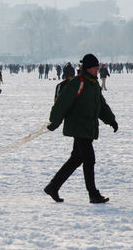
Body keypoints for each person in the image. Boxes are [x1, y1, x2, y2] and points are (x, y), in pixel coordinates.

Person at [44, 54, 118, 204]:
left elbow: (101, 106)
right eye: (95, 68)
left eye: (98, 67)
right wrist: (54, 122)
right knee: (89, 159)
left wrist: (111, 120)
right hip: (79, 127)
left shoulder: (93, 84)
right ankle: (93, 194)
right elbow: (62, 103)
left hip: (88, 127)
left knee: (76, 159)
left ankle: (53, 186)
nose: (97, 70)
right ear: (88, 68)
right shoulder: (78, 82)